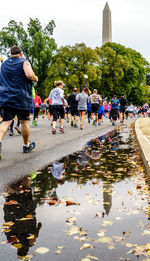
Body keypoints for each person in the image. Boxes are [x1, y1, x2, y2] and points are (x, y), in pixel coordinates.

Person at [0, 46, 38, 158]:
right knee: (24, 122)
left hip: (6, 97)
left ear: (11, 54)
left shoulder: (4, 64)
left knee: (6, 121)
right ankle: (26, 146)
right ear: (21, 53)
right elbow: (29, 75)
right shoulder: (24, 62)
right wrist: (35, 78)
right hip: (22, 97)